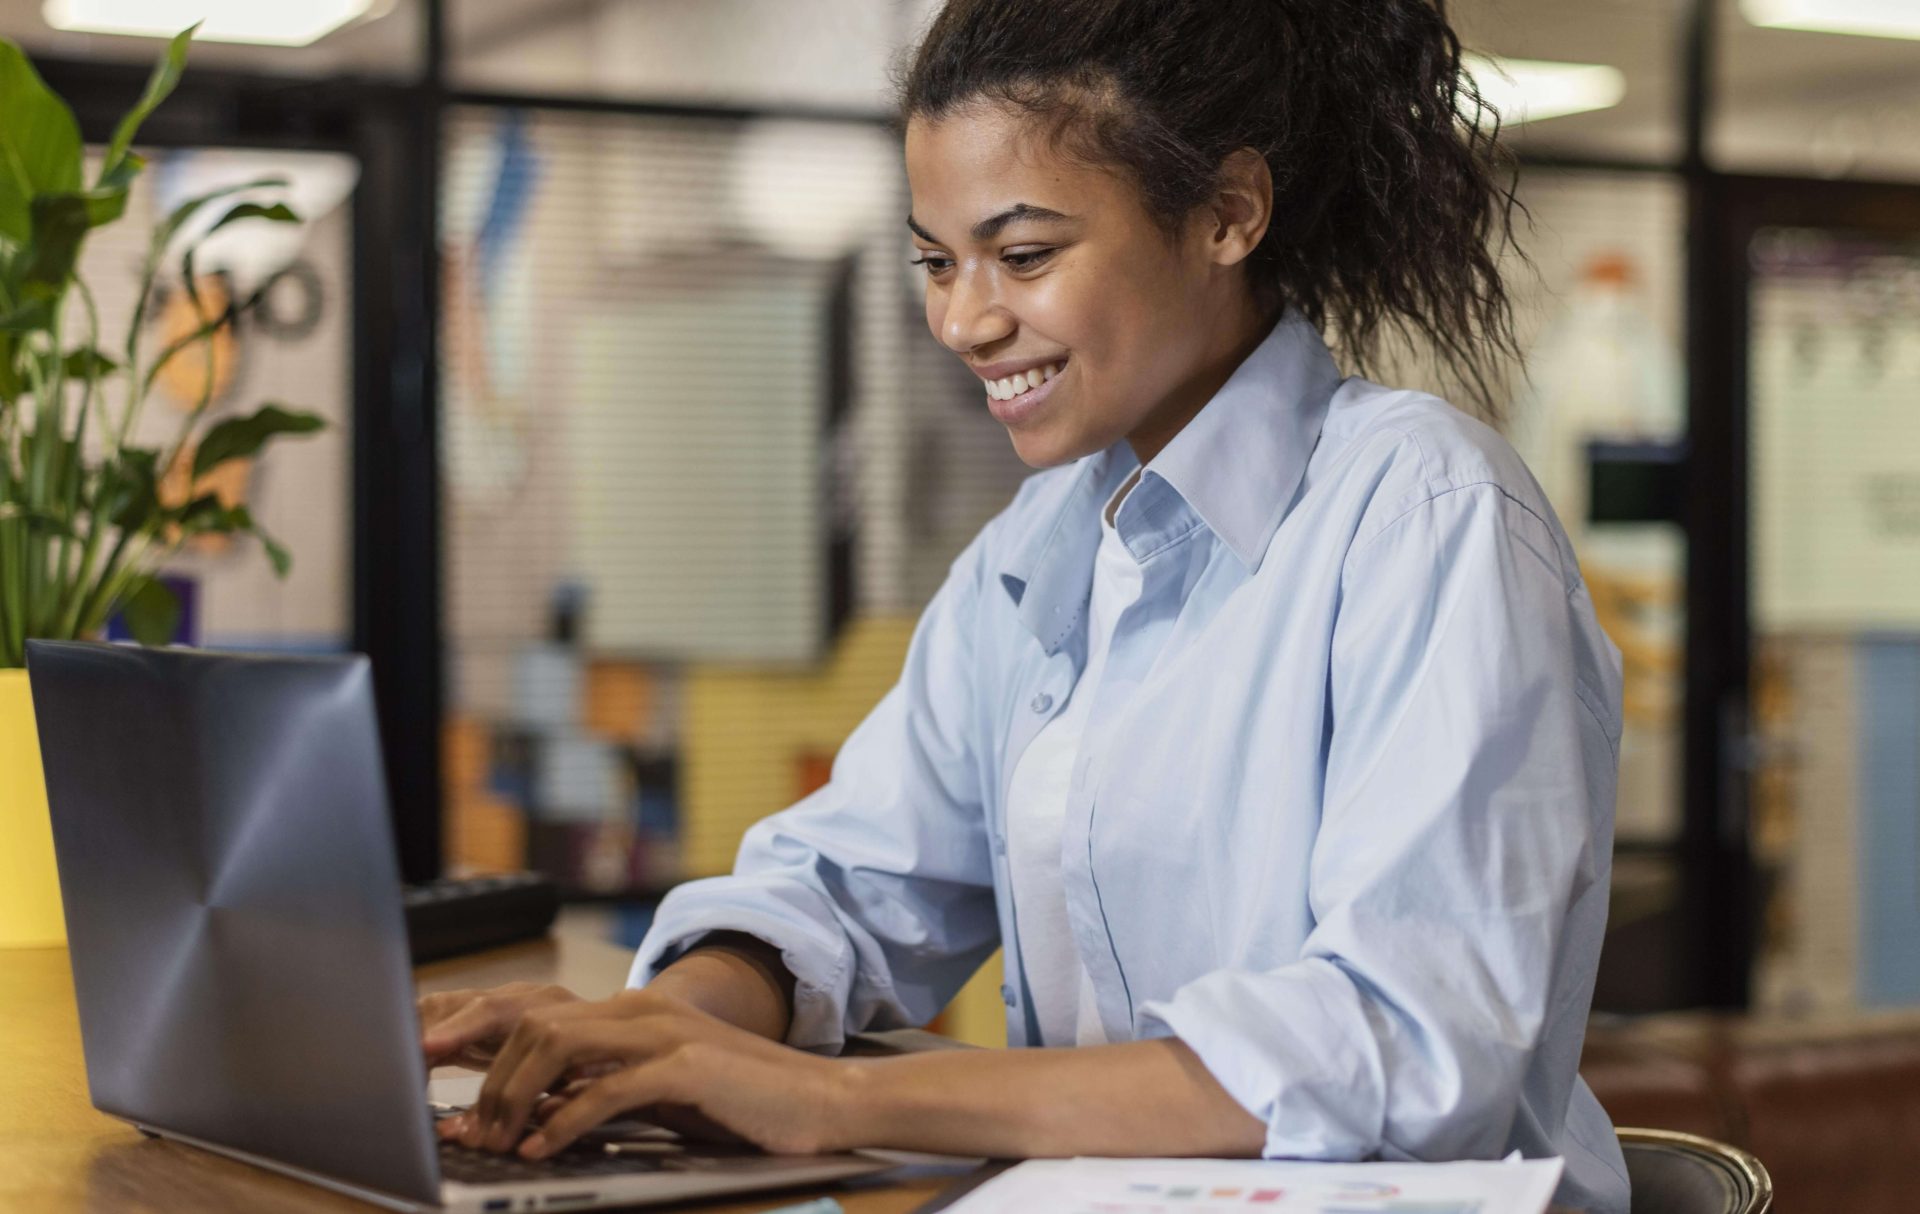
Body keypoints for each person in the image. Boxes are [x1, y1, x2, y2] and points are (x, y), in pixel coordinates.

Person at [420, 1, 1629, 1210]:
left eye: (1026, 254)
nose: (962, 318)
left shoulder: (1427, 514)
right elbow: (842, 883)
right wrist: (664, 1033)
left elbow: (1404, 1048)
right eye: (937, 260)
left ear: (1228, 212)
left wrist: (838, 1101)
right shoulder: (1042, 546)